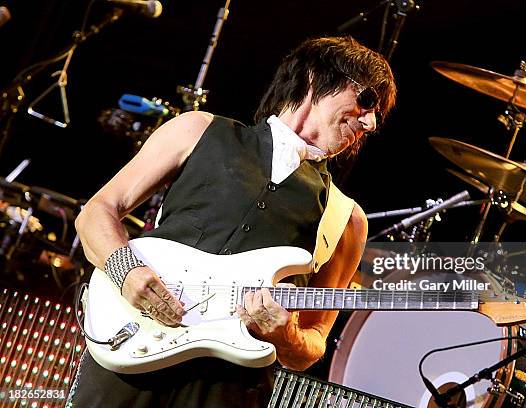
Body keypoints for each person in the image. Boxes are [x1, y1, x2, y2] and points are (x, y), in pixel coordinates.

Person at [68, 36, 396, 407]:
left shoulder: (347, 218)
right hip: (132, 352)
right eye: (367, 100)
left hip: (229, 388)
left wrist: (286, 334)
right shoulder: (197, 130)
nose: (369, 122)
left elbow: (313, 342)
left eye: (377, 115)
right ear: (313, 77)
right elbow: (98, 211)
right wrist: (126, 270)